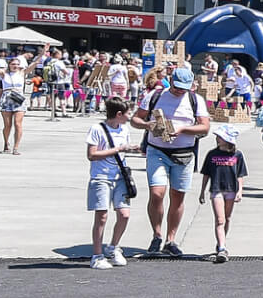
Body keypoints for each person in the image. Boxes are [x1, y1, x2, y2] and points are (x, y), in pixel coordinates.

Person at [132, 63, 212, 257]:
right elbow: (135, 119)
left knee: (177, 197)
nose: (178, 91)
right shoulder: (156, 96)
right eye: (176, 87)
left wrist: (183, 129)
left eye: (183, 89)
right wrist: (148, 125)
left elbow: (205, 127)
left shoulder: (195, 100)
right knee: (157, 193)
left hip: (183, 154)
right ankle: (157, 235)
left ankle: (171, 239)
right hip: (157, 150)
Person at [85, 97, 135, 269]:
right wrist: (118, 149)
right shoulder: (97, 129)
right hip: (101, 177)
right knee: (102, 216)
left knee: (124, 214)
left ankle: (113, 247)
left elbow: (123, 151)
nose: (130, 116)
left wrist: (133, 149)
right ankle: (97, 255)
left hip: (120, 176)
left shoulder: (124, 129)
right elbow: (91, 155)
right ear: (119, 114)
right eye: (128, 113)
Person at [198, 125, 248, 263]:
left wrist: (240, 191)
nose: (217, 139)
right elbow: (206, 174)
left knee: (227, 218)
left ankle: (222, 242)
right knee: (220, 220)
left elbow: (240, 174)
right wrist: (202, 191)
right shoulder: (212, 154)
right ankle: (222, 248)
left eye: (220, 137)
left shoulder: (237, 155)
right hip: (216, 189)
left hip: (231, 189)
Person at [0, 50, 45, 155]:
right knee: (7, 125)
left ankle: (16, 147)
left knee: (18, 124)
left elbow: (35, 63)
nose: (15, 66)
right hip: (7, 98)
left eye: (17, 64)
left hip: (18, 98)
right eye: (13, 64)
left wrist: (43, 53)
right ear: (9, 64)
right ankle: (6, 143)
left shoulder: (22, 72)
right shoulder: (4, 73)